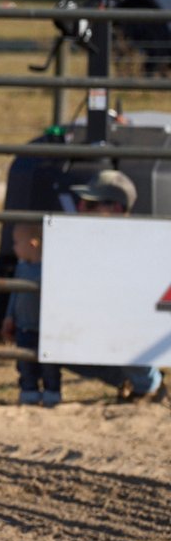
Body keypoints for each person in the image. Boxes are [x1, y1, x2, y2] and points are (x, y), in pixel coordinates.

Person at [58, 170, 164, 404]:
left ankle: (148, 385)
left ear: (115, 208)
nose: (80, 208)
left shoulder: (143, 242)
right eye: (81, 203)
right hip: (102, 321)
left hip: (134, 325)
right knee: (54, 341)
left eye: (89, 205)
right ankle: (130, 380)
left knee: (128, 326)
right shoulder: (80, 241)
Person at [0, 221, 61, 406]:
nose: (14, 247)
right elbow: (15, 294)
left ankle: (52, 390)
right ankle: (29, 390)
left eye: (17, 242)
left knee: (49, 364)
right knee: (25, 362)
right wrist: (9, 315)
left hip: (45, 327)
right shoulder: (21, 268)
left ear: (33, 243)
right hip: (23, 326)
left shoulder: (50, 269)